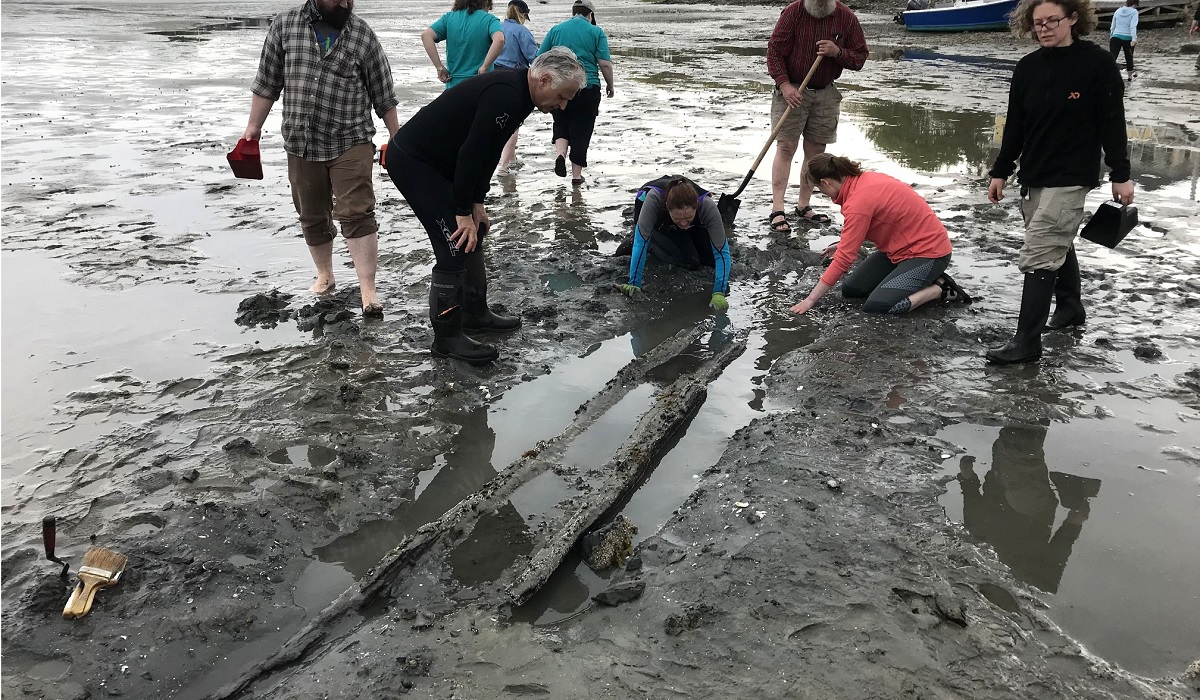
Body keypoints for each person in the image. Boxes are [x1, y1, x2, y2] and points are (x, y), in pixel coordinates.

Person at [383, 48, 585, 364]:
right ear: (544, 79)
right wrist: (461, 211)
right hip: (413, 162)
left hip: (440, 164)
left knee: (474, 230)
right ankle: (446, 338)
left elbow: (490, 151)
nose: (563, 105)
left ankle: (475, 314)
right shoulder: (506, 93)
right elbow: (472, 153)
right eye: (562, 96)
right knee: (453, 242)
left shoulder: (521, 95)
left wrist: (476, 202)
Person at [986, 0, 1132, 364]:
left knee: (1039, 253)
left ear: (1073, 19)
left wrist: (1121, 174)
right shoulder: (1027, 67)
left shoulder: (1097, 65)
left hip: (1072, 176)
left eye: (1053, 20)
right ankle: (1070, 309)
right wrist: (1001, 170)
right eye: (1038, 23)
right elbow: (1015, 124)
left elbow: (1113, 122)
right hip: (1034, 174)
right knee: (1056, 244)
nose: (1045, 28)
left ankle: (1027, 342)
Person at [243, 0, 399, 317]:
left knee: (357, 211)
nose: (344, 3)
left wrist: (400, 139)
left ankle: (368, 291)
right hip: (301, 141)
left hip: (351, 140)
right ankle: (325, 276)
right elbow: (267, 83)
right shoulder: (285, 26)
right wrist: (253, 128)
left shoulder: (363, 36)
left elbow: (384, 95)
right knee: (312, 213)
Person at [789, 154, 968, 315]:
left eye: (820, 189)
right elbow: (880, 221)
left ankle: (939, 289)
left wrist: (810, 300)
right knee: (852, 289)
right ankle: (912, 281)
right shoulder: (862, 180)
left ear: (826, 182)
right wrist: (843, 243)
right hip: (899, 249)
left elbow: (844, 258)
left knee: (877, 306)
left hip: (929, 254)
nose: (823, 194)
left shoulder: (858, 201)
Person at [765, 0, 868, 234]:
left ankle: (803, 206)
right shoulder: (793, 13)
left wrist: (837, 52)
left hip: (826, 93)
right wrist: (784, 85)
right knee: (785, 148)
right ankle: (777, 209)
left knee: (815, 154)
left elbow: (860, 58)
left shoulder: (846, 17)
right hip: (792, 91)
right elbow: (774, 52)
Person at [616, 176, 732, 311]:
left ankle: (683, 225)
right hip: (657, 222)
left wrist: (719, 292)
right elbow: (640, 242)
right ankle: (650, 240)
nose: (683, 222)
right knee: (690, 261)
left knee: (709, 259)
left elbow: (722, 251)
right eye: (678, 218)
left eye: (688, 217)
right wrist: (634, 284)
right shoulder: (654, 199)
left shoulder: (706, 205)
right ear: (668, 208)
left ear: (696, 206)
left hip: (689, 224)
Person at [539, 0, 615, 185]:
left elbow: (540, 58)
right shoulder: (596, 31)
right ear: (591, 15)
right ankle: (576, 176)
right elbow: (604, 63)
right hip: (588, 87)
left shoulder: (556, 29)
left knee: (561, 123)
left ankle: (559, 155)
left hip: (559, 86)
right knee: (582, 129)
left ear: (573, 12)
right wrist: (610, 85)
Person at [495, 0, 540, 171]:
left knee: (500, 117)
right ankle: (504, 165)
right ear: (522, 15)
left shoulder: (497, 27)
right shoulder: (522, 32)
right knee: (513, 123)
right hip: (515, 77)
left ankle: (511, 158)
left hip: (494, 74)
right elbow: (533, 58)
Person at [422, 0, 505, 89]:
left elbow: (426, 35)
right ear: (486, 3)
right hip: (481, 85)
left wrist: (439, 67)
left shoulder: (449, 18)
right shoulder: (489, 19)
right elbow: (499, 39)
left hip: (454, 86)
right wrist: (485, 66)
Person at [1109, 0, 1139, 79]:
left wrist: (1111, 34)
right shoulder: (1134, 12)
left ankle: (1108, 75)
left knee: (1112, 57)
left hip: (1116, 36)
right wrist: (1134, 38)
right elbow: (1133, 26)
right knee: (1129, 57)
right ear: (1135, 4)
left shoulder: (1118, 11)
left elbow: (1113, 25)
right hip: (1128, 38)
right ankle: (1129, 77)